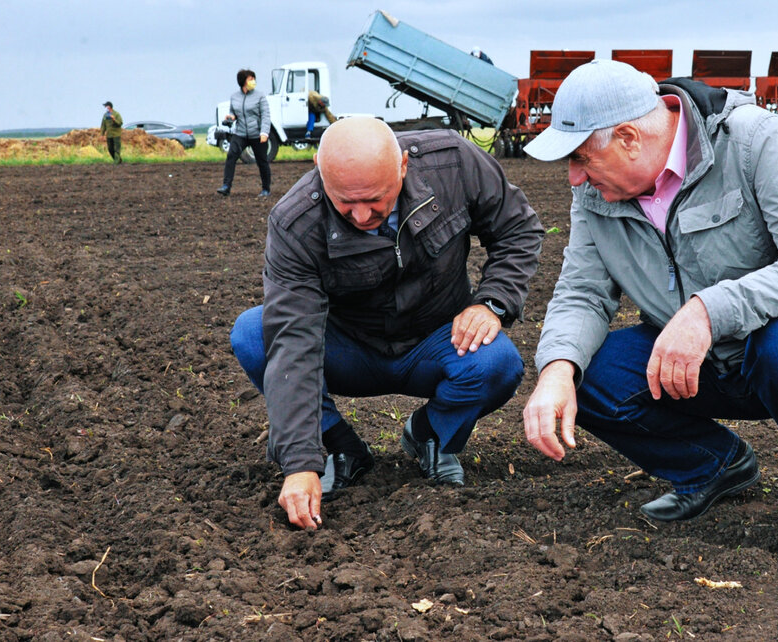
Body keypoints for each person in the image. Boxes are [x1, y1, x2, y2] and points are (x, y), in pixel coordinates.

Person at [520, 60, 778, 573]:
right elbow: (581, 290)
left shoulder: (753, 139)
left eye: (580, 158)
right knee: (587, 373)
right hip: (699, 360)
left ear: (627, 138)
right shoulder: (593, 192)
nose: (574, 176)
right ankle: (714, 466)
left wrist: (707, 311)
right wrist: (557, 368)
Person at [230, 116, 544, 531]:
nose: (361, 215)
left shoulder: (452, 163)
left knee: (496, 362)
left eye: (375, 200)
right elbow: (293, 340)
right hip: (349, 346)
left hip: (437, 337)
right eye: (345, 202)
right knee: (255, 334)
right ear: (321, 176)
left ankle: (430, 434)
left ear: (402, 167)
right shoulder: (295, 223)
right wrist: (299, 462)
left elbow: (518, 228)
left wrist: (491, 303)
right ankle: (339, 449)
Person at [218, 69, 272, 198]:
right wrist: (230, 117)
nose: (253, 81)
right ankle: (226, 186)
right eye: (250, 79)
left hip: (257, 134)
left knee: (262, 161)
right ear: (243, 82)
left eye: (254, 78)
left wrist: (264, 132)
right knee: (231, 156)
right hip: (240, 133)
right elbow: (234, 112)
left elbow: (266, 115)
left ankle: (266, 189)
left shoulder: (260, 96)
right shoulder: (234, 97)